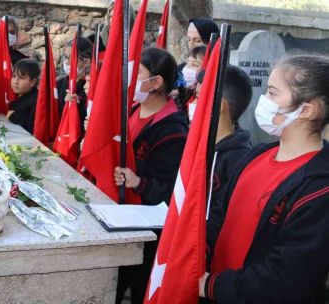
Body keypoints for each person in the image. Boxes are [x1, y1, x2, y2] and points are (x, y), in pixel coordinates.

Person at [201, 55, 329, 303]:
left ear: (307, 109)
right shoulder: (255, 156)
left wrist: (211, 285)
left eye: (272, 93)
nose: (264, 100)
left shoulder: (319, 188)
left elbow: (285, 277)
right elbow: (218, 214)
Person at [113, 47, 189, 304]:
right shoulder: (134, 109)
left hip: (149, 232)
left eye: (137, 73)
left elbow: (172, 190)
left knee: (139, 289)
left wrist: (139, 183)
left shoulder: (173, 130)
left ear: (156, 82)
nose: (130, 79)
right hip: (121, 218)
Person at [192, 65, 253, 204]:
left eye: (198, 97)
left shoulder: (237, 160)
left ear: (218, 106)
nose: (193, 103)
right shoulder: (198, 142)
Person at [57, 36, 93, 130]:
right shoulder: (60, 83)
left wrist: (74, 105)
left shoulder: (89, 87)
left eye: (71, 58)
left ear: (86, 62)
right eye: (65, 57)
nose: (66, 62)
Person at [7, 59, 40, 134]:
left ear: (33, 82)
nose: (15, 82)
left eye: (21, 78)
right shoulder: (18, 95)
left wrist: (13, 116)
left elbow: (32, 128)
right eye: (14, 76)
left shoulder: (35, 101)